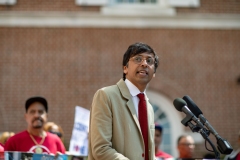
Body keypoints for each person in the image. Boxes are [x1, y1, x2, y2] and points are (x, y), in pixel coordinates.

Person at [88, 42, 159, 160]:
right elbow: (101, 149)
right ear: (125, 68)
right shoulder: (106, 95)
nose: (144, 64)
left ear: (154, 73)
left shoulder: (149, 107)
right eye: (138, 59)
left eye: (149, 61)